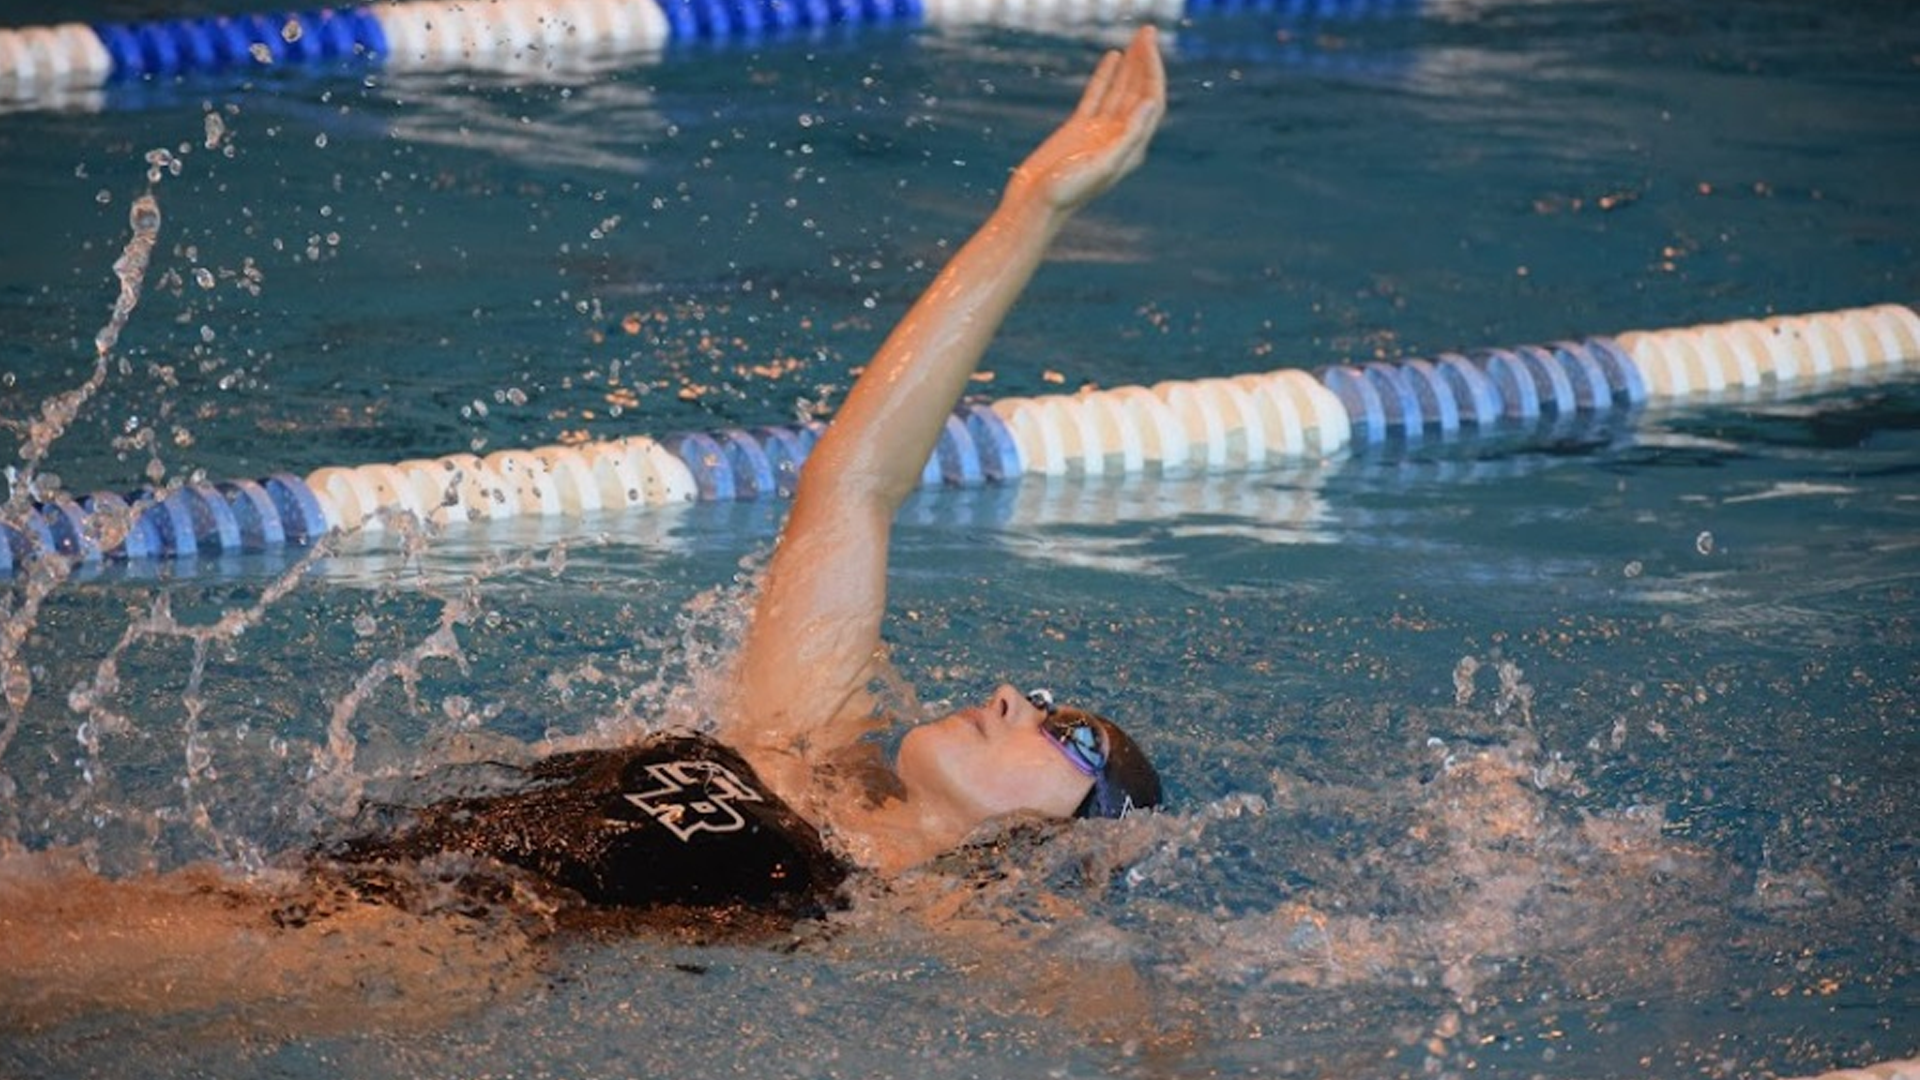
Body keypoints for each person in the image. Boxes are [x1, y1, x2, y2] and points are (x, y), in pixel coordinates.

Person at [328, 26, 1170, 919]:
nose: (1009, 699)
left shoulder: (875, 912)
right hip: (299, 885)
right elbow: (854, 485)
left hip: (378, 954)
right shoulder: (796, 746)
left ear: (1076, 841)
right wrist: (1030, 209)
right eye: (1045, 705)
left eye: (1069, 737)